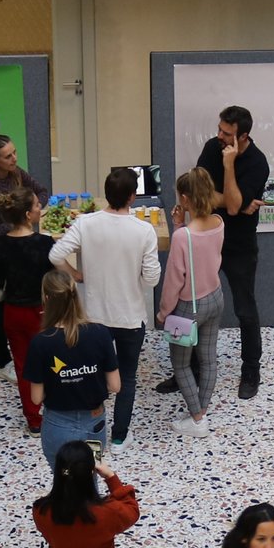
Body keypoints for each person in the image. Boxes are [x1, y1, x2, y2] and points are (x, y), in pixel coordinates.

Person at [49, 167, 161, 450]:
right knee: (127, 377)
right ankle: (120, 436)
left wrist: (76, 274)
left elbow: (56, 254)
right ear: (132, 197)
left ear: (107, 194)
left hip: (94, 317)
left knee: (92, 373)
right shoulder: (144, 230)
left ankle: (92, 430)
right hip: (130, 317)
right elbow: (152, 279)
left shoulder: (86, 223)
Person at [196, 106, 272, 399]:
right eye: (220, 129)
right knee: (193, 305)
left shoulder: (257, 163)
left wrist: (228, 168)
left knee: (245, 309)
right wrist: (234, 201)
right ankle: (189, 368)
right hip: (207, 239)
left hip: (239, 246)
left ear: (243, 136)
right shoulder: (211, 148)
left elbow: (230, 206)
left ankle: (251, 369)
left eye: (227, 133)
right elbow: (202, 194)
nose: (220, 136)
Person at [0, 188, 58, 434]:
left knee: (23, 367)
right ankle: (56, 410)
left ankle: (33, 419)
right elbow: (54, 277)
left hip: (12, 311)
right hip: (40, 312)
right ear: (27, 214)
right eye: (36, 205)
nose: (40, 208)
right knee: (53, 363)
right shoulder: (44, 243)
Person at [26, 268, 120, 469]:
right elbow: (115, 385)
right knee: (91, 473)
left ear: (46, 299)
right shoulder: (100, 333)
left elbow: (36, 398)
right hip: (95, 423)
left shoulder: (40, 343)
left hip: (58, 424)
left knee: (64, 480)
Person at [159, 166, 228, 435]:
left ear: (185, 199)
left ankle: (197, 419)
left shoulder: (182, 236)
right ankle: (203, 412)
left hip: (189, 307)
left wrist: (164, 312)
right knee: (209, 360)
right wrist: (180, 223)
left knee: (181, 364)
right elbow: (201, 256)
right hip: (215, 298)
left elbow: (174, 280)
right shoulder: (219, 223)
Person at [0, 133, 48, 369]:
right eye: (8, 156)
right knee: (1, 308)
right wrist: (17, 221)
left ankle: (28, 352)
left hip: (20, 251)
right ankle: (3, 361)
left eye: (14, 153)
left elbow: (42, 192)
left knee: (25, 306)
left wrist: (32, 209)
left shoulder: (17, 174)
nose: (14, 158)